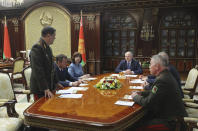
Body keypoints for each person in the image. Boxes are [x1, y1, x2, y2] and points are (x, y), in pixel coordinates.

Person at [131, 54, 187, 131]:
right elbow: (154, 92)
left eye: (150, 64)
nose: (149, 67)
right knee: (139, 119)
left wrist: (135, 97)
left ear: (157, 66)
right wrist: (140, 93)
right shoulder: (165, 75)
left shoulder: (162, 79)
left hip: (169, 121)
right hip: (169, 115)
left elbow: (148, 103)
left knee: (134, 127)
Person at [30, 26, 63, 101]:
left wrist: (56, 82)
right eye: (54, 36)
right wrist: (45, 88)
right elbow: (38, 70)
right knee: (39, 110)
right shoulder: (37, 48)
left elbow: (52, 68)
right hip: (40, 88)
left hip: (48, 86)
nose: (55, 38)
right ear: (49, 36)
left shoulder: (47, 48)